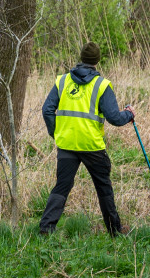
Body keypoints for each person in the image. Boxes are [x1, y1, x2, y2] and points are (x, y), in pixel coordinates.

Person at [38, 42, 136, 237]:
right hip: (92, 146)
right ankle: (115, 231)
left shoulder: (63, 81)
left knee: (62, 186)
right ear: (97, 61)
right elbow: (115, 119)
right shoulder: (102, 85)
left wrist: (55, 133)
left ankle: (46, 230)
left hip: (66, 144)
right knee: (103, 188)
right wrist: (129, 114)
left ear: (81, 58)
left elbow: (47, 110)